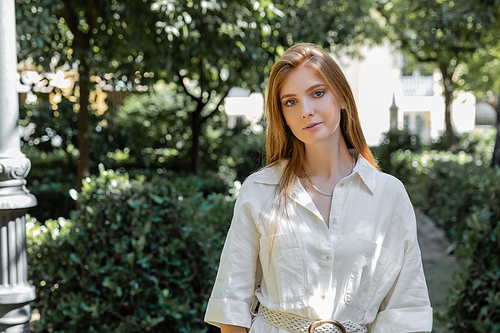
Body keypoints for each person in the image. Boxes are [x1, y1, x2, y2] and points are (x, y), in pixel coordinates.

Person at [204, 43, 433, 333]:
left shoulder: (389, 195)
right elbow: (232, 307)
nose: (306, 111)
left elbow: (405, 311)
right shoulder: (260, 191)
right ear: (282, 115)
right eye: (291, 101)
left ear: (342, 98)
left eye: (317, 93)